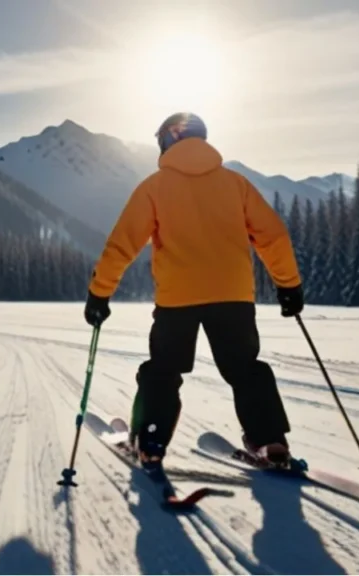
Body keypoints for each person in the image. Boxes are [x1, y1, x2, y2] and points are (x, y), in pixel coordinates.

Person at [84, 112, 304, 469]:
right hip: (233, 296)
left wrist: (99, 293)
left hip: (177, 299)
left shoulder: (154, 187)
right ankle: (270, 443)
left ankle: (150, 442)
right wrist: (288, 285)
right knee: (246, 369)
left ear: (169, 141)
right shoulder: (236, 184)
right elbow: (273, 236)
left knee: (164, 370)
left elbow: (121, 245)